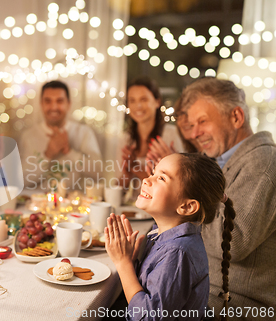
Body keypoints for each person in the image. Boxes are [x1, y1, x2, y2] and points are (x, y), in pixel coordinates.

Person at [181, 77, 276, 317]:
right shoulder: (226, 161)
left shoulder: (263, 162)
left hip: (237, 306)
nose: (195, 133)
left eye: (203, 121)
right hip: (209, 292)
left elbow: (233, 241)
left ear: (236, 117)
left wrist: (185, 193)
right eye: (192, 124)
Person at [106, 153, 235, 321]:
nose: (146, 180)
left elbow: (148, 317)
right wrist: (131, 263)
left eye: (161, 178)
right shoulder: (162, 236)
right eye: (153, 172)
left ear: (187, 206)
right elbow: (149, 287)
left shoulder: (178, 252)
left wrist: (123, 264)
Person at [20, 80, 102, 191]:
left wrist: (69, 151)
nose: (54, 107)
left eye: (59, 101)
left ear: (68, 104)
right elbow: (22, 181)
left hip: (76, 204)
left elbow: (98, 173)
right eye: (48, 101)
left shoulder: (84, 133)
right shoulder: (28, 136)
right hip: (38, 203)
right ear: (41, 104)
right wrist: (48, 154)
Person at [117, 77, 184, 197]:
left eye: (143, 99)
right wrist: (127, 175)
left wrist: (136, 169)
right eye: (132, 100)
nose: (138, 106)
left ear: (157, 102)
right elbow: (118, 189)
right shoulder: (126, 140)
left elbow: (181, 184)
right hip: (135, 208)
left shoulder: (171, 135)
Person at [145, 96, 200, 173]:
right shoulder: (190, 152)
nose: (183, 120)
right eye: (180, 114)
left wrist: (173, 164)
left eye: (188, 114)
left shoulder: (211, 153)